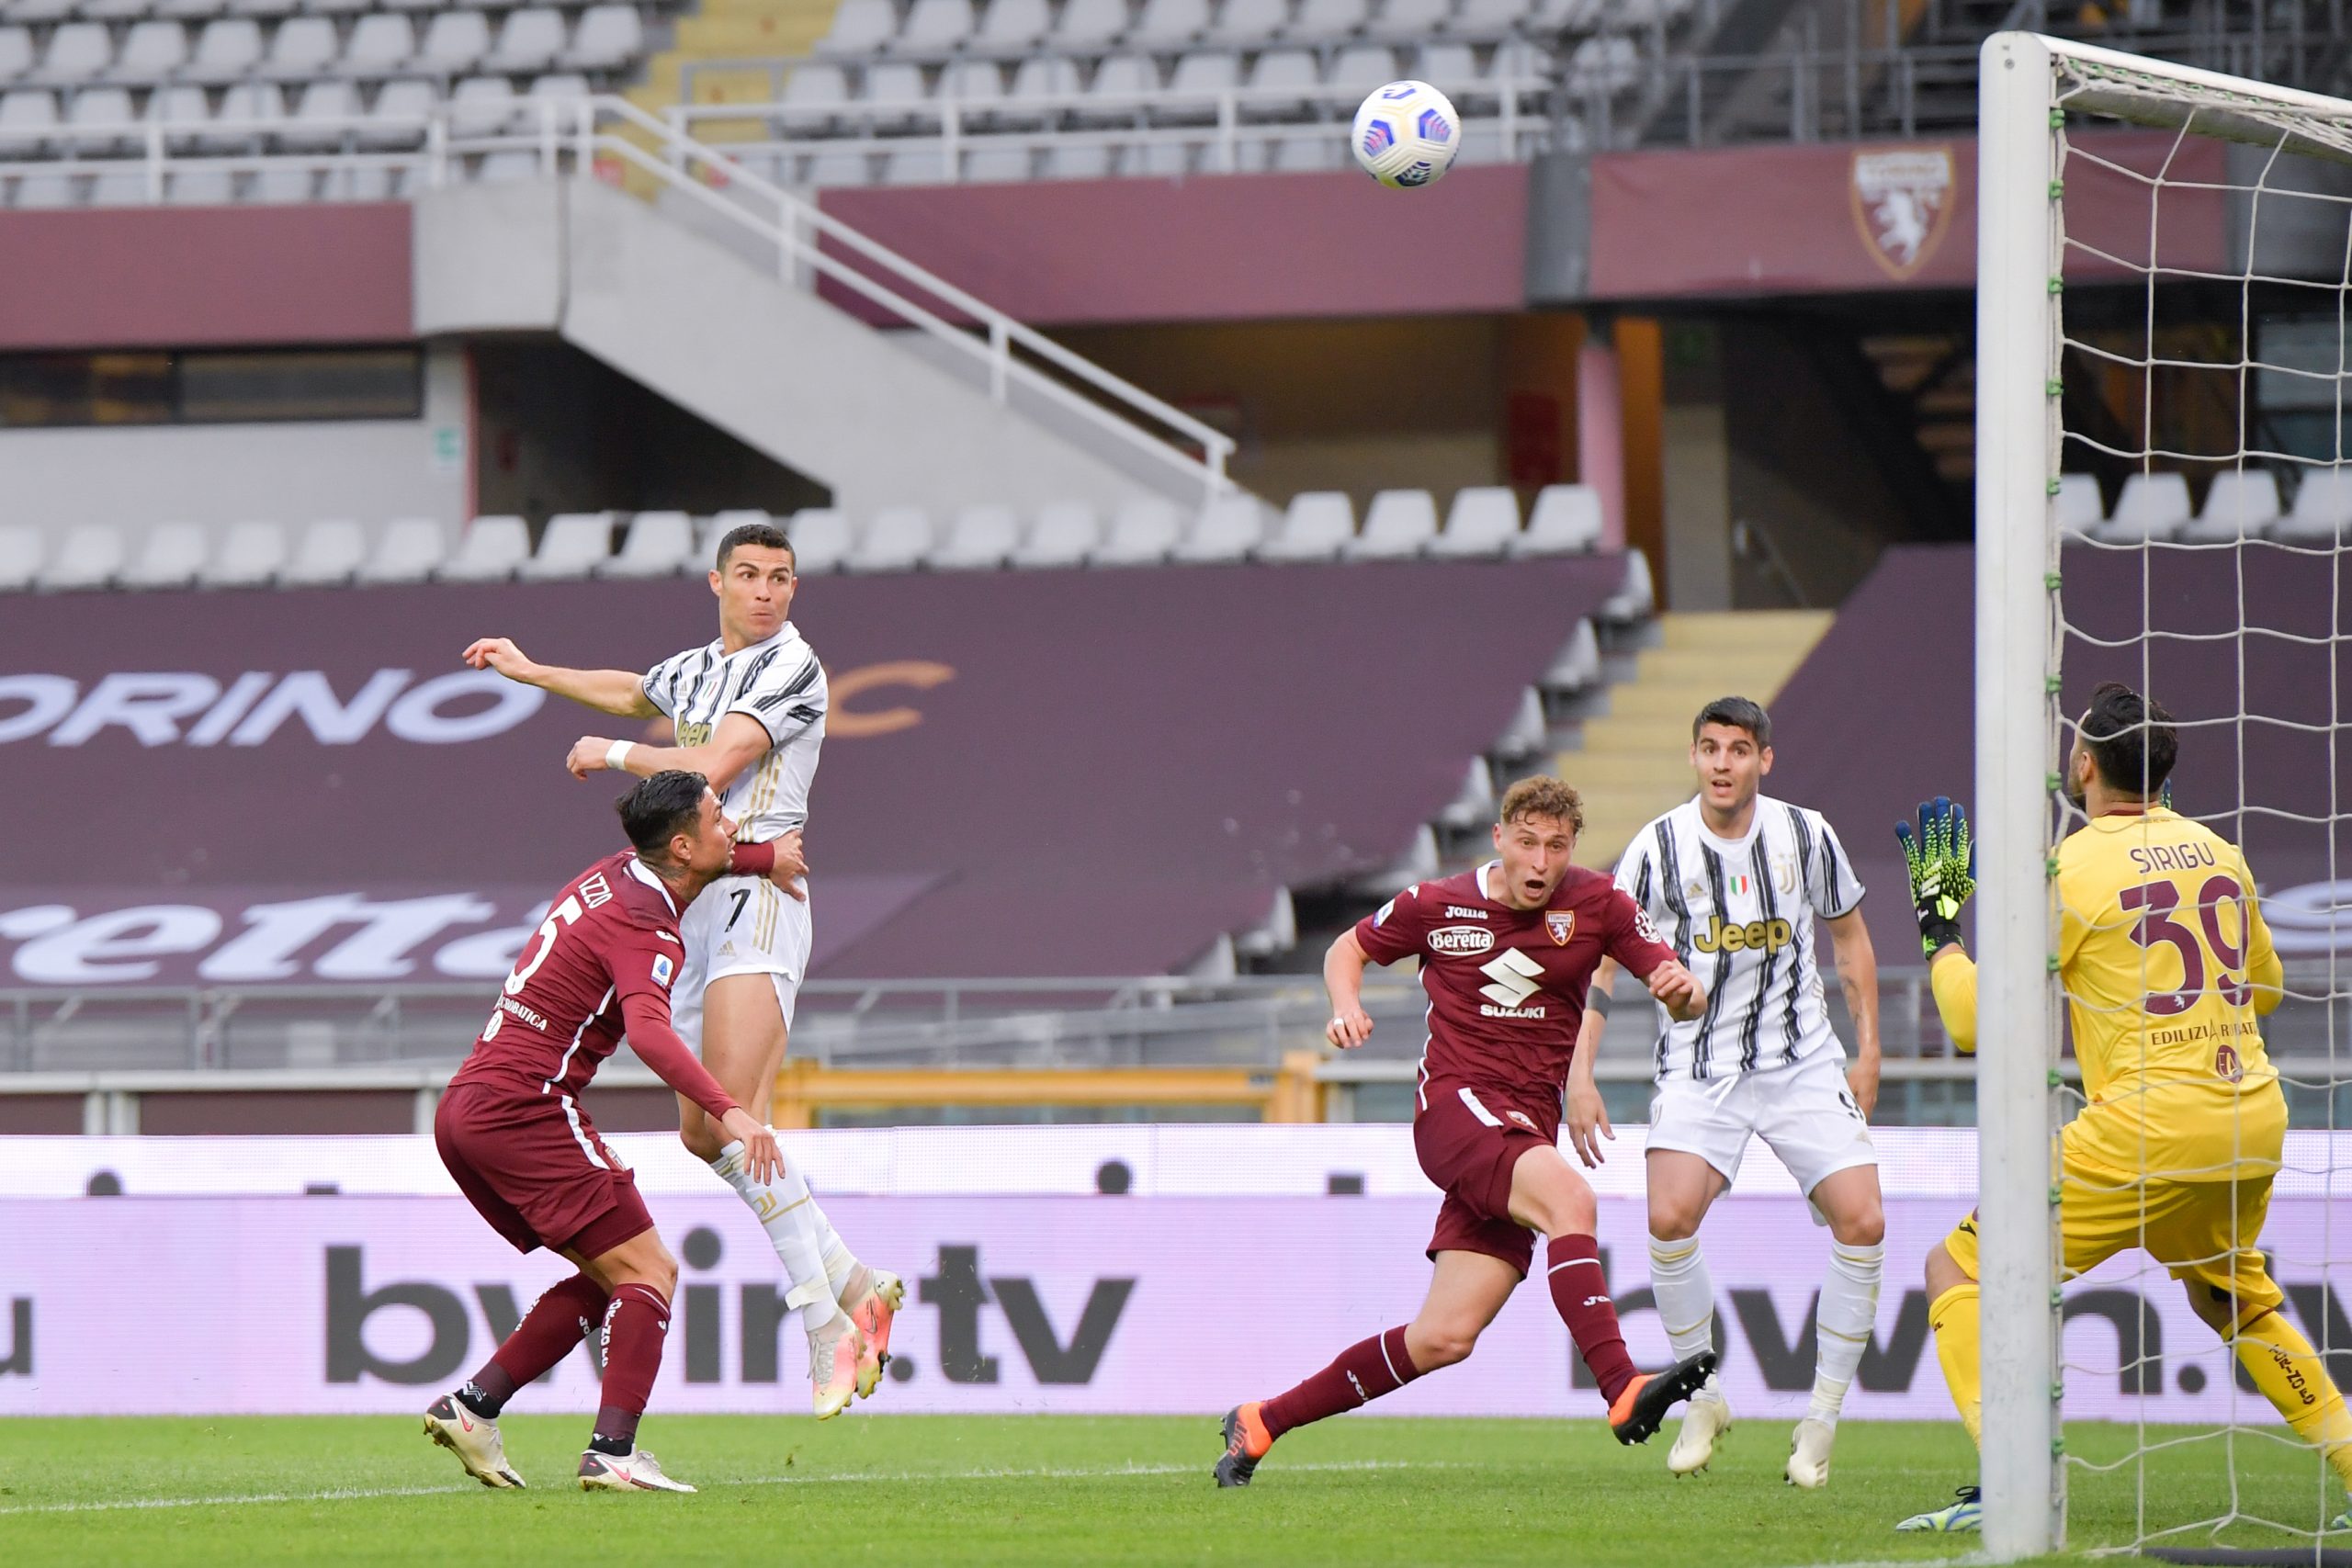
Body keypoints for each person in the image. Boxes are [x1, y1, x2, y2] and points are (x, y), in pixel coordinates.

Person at [460, 520, 896, 1420]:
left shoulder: (792, 666)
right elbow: (632, 689)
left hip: (759, 900)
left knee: (736, 1116)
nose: (766, 591)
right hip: (695, 910)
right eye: (751, 574)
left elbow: (710, 766)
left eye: (781, 577)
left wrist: (612, 755)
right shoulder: (700, 668)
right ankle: (857, 1285)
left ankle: (824, 1319)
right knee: (706, 1132)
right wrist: (533, 671)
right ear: (716, 582)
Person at [1892, 682, 2352, 1533]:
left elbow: (1969, 1022)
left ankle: (2012, 1479)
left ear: (2083, 764)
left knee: (1959, 1269)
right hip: (2250, 1114)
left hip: (2147, 1125)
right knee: (2234, 1298)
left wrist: (1940, 928)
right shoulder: (2219, 851)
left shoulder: (2068, 868)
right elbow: (2268, 990)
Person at [1214, 776, 1718, 1488]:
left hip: (1524, 1128)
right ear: (1499, 837)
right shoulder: (1437, 903)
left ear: (1572, 846)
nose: (1540, 861)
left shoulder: (1601, 902)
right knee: (1571, 1199)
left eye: (1556, 846)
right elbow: (1346, 949)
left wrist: (1684, 991)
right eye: (1527, 842)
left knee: (1444, 1337)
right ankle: (1621, 1387)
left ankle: (1262, 1419)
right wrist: (1345, 1004)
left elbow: (1678, 983)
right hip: (1456, 1108)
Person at [423, 770, 805, 1493]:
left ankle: (474, 1406)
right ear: (682, 845)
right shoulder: (646, 926)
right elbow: (650, 1033)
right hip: (525, 1108)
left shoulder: (618, 872)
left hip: (468, 1108)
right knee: (650, 1271)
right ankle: (613, 1450)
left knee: (614, 1276)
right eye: (720, 818)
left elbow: (703, 857)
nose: (732, 828)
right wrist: (728, 1109)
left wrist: (764, 858)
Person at [1569, 695, 1884, 1488]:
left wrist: (1869, 1052)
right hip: (1700, 1065)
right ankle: (1704, 1397)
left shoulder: (1806, 833)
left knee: (1864, 1220)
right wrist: (1580, 1071)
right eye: (1709, 747)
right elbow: (1601, 961)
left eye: (1738, 749)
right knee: (1668, 1216)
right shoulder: (1656, 847)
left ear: (1763, 760)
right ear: (1693, 755)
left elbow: (1849, 939)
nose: (1721, 762)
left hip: (1802, 1061)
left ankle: (1821, 1420)